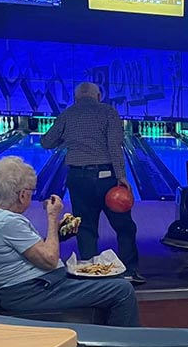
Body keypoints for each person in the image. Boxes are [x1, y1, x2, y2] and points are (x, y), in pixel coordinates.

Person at [0, 155, 140, 329]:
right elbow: (50, 260)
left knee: (109, 280)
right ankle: (126, 346)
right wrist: (53, 217)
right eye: (32, 192)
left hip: (36, 286)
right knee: (122, 290)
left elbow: (34, 252)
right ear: (23, 195)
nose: (31, 197)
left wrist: (58, 234)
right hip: (33, 293)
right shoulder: (7, 222)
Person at [41, 82, 144, 282]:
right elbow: (115, 146)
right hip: (106, 178)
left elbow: (46, 142)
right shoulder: (108, 112)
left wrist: (68, 140)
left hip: (78, 179)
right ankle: (129, 272)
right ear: (98, 96)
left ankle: (90, 274)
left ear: (76, 98)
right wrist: (122, 176)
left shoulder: (67, 114)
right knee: (124, 226)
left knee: (86, 227)